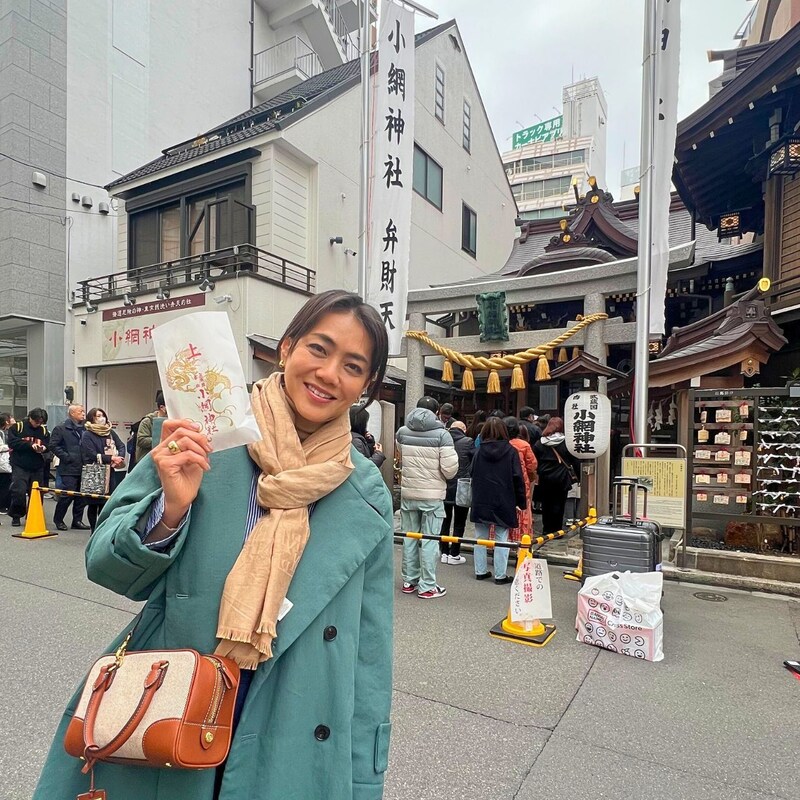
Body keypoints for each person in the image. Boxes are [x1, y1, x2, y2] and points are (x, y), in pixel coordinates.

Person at [34, 289, 393, 800]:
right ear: (286, 348)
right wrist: (171, 510)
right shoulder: (203, 434)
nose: (330, 373)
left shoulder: (363, 490)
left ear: (366, 385)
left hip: (299, 714)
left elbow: (369, 653)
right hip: (177, 695)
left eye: (353, 365)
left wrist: (363, 778)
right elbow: (105, 565)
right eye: (319, 348)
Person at [396, 395, 458, 599]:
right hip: (432, 495)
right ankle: (428, 585)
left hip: (408, 492)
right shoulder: (443, 435)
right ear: (437, 412)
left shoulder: (402, 432)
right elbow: (449, 470)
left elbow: (401, 456)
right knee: (430, 540)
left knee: (409, 538)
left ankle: (409, 580)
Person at [470, 417, 526, 585]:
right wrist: (521, 502)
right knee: (502, 536)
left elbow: (472, 473)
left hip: (481, 498)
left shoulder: (478, 451)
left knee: (480, 536)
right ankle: (500, 575)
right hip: (504, 498)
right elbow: (518, 478)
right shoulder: (510, 451)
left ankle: (480, 571)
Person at [533, 416, 581, 535]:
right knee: (559, 504)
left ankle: (546, 529)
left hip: (545, 478)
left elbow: (535, 461)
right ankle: (557, 530)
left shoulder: (540, 443)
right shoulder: (566, 443)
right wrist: (579, 476)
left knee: (546, 504)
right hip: (561, 478)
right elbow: (574, 461)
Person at [80, 407, 126, 532]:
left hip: (109, 471)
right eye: (98, 416)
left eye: (102, 415)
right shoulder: (87, 434)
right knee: (93, 503)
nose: (102, 418)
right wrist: (111, 458)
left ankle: (102, 528)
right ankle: (93, 530)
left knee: (106, 503)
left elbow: (121, 445)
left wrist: (119, 457)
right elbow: (90, 453)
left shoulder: (110, 432)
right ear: (91, 419)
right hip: (95, 472)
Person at [49, 404, 90, 530]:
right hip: (68, 467)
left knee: (82, 495)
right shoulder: (61, 428)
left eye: (83, 411)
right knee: (68, 494)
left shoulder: (85, 429)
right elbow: (53, 445)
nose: (83, 414)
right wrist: (67, 457)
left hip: (84, 466)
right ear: (72, 413)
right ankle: (58, 519)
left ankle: (77, 521)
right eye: (80, 411)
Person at [7, 407, 49, 527]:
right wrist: (30, 445)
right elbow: (12, 443)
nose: (38, 424)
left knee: (37, 493)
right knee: (18, 490)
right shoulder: (17, 427)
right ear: (30, 417)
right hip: (20, 464)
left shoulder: (44, 431)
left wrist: (44, 448)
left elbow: (49, 444)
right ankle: (16, 515)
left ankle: (33, 515)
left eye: (41, 422)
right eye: (36, 422)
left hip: (37, 465)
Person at [439, 419, 473, 565]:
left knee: (444, 521)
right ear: (463, 429)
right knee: (459, 522)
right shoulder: (468, 441)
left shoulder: (442, 439)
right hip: (462, 486)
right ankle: (454, 553)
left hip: (444, 484)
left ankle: (444, 552)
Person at [504, 417, 537, 541]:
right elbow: (532, 465)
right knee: (522, 514)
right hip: (522, 484)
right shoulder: (524, 445)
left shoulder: (501, 443)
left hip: (504, 485)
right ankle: (521, 541)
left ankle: (504, 541)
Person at [135, 389, 168, 465]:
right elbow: (141, 440)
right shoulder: (148, 421)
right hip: (147, 461)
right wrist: (160, 441)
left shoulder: (171, 420)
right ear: (162, 407)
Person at [349, 404, 385, 468]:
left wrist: (369, 442)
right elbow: (364, 468)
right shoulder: (355, 441)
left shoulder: (352, 437)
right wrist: (378, 454)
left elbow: (364, 456)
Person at [0, 412, 14, 514]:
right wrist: (9, 447)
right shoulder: (2, 433)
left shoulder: (6, 431)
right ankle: (3, 506)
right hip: (3, 462)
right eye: (11, 418)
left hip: (5, 461)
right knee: (5, 484)